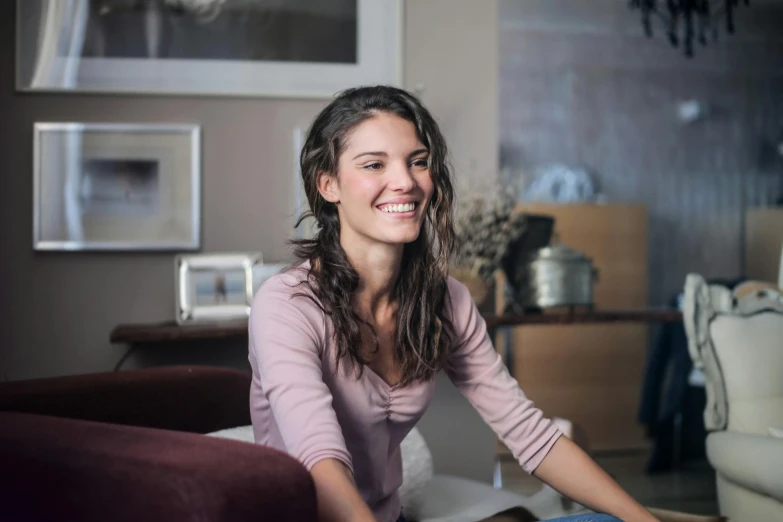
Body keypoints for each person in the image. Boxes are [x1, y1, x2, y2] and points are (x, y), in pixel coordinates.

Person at [248, 85, 658, 522]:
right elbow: (320, 462)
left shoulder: (447, 300)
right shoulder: (287, 305)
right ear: (328, 184)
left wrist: (642, 521)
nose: (405, 181)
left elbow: (530, 434)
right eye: (374, 164)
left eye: (418, 162)